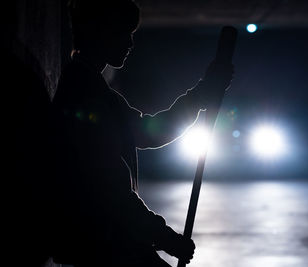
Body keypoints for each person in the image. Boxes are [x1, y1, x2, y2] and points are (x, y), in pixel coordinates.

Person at [51, 0, 233, 266]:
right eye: (124, 33)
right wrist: (164, 237)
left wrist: (201, 94)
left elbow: (147, 132)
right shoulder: (84, 93)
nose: (130, 43)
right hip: (102, 244)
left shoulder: (95, 89)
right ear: (101, 31)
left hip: (108, 240)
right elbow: (110, 192)